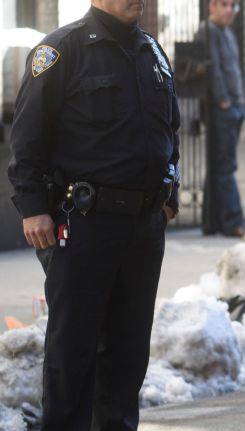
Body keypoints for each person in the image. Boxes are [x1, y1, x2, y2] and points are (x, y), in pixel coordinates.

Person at [7, 0, 180, 428]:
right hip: (84, 223)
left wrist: (168, 197)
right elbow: (27, 137)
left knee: (128, 352)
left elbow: (169, 133)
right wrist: (33, 208)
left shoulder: (152, 52)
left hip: (143, 226)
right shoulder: (61, 51)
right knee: (74, 351)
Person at [197, 0, 245, 238]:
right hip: (222, 109)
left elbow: (233, 69)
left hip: (235, 107)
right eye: (224, 4)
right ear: (212, 7)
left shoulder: (228, 32)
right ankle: (232, 221)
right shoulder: (208, 31)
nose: (230, 10)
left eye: (232, 5)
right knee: (226, 166)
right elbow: (213, 68)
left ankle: (212, 222)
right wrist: (224, 100)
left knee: (219, 166)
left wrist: (239, 102)